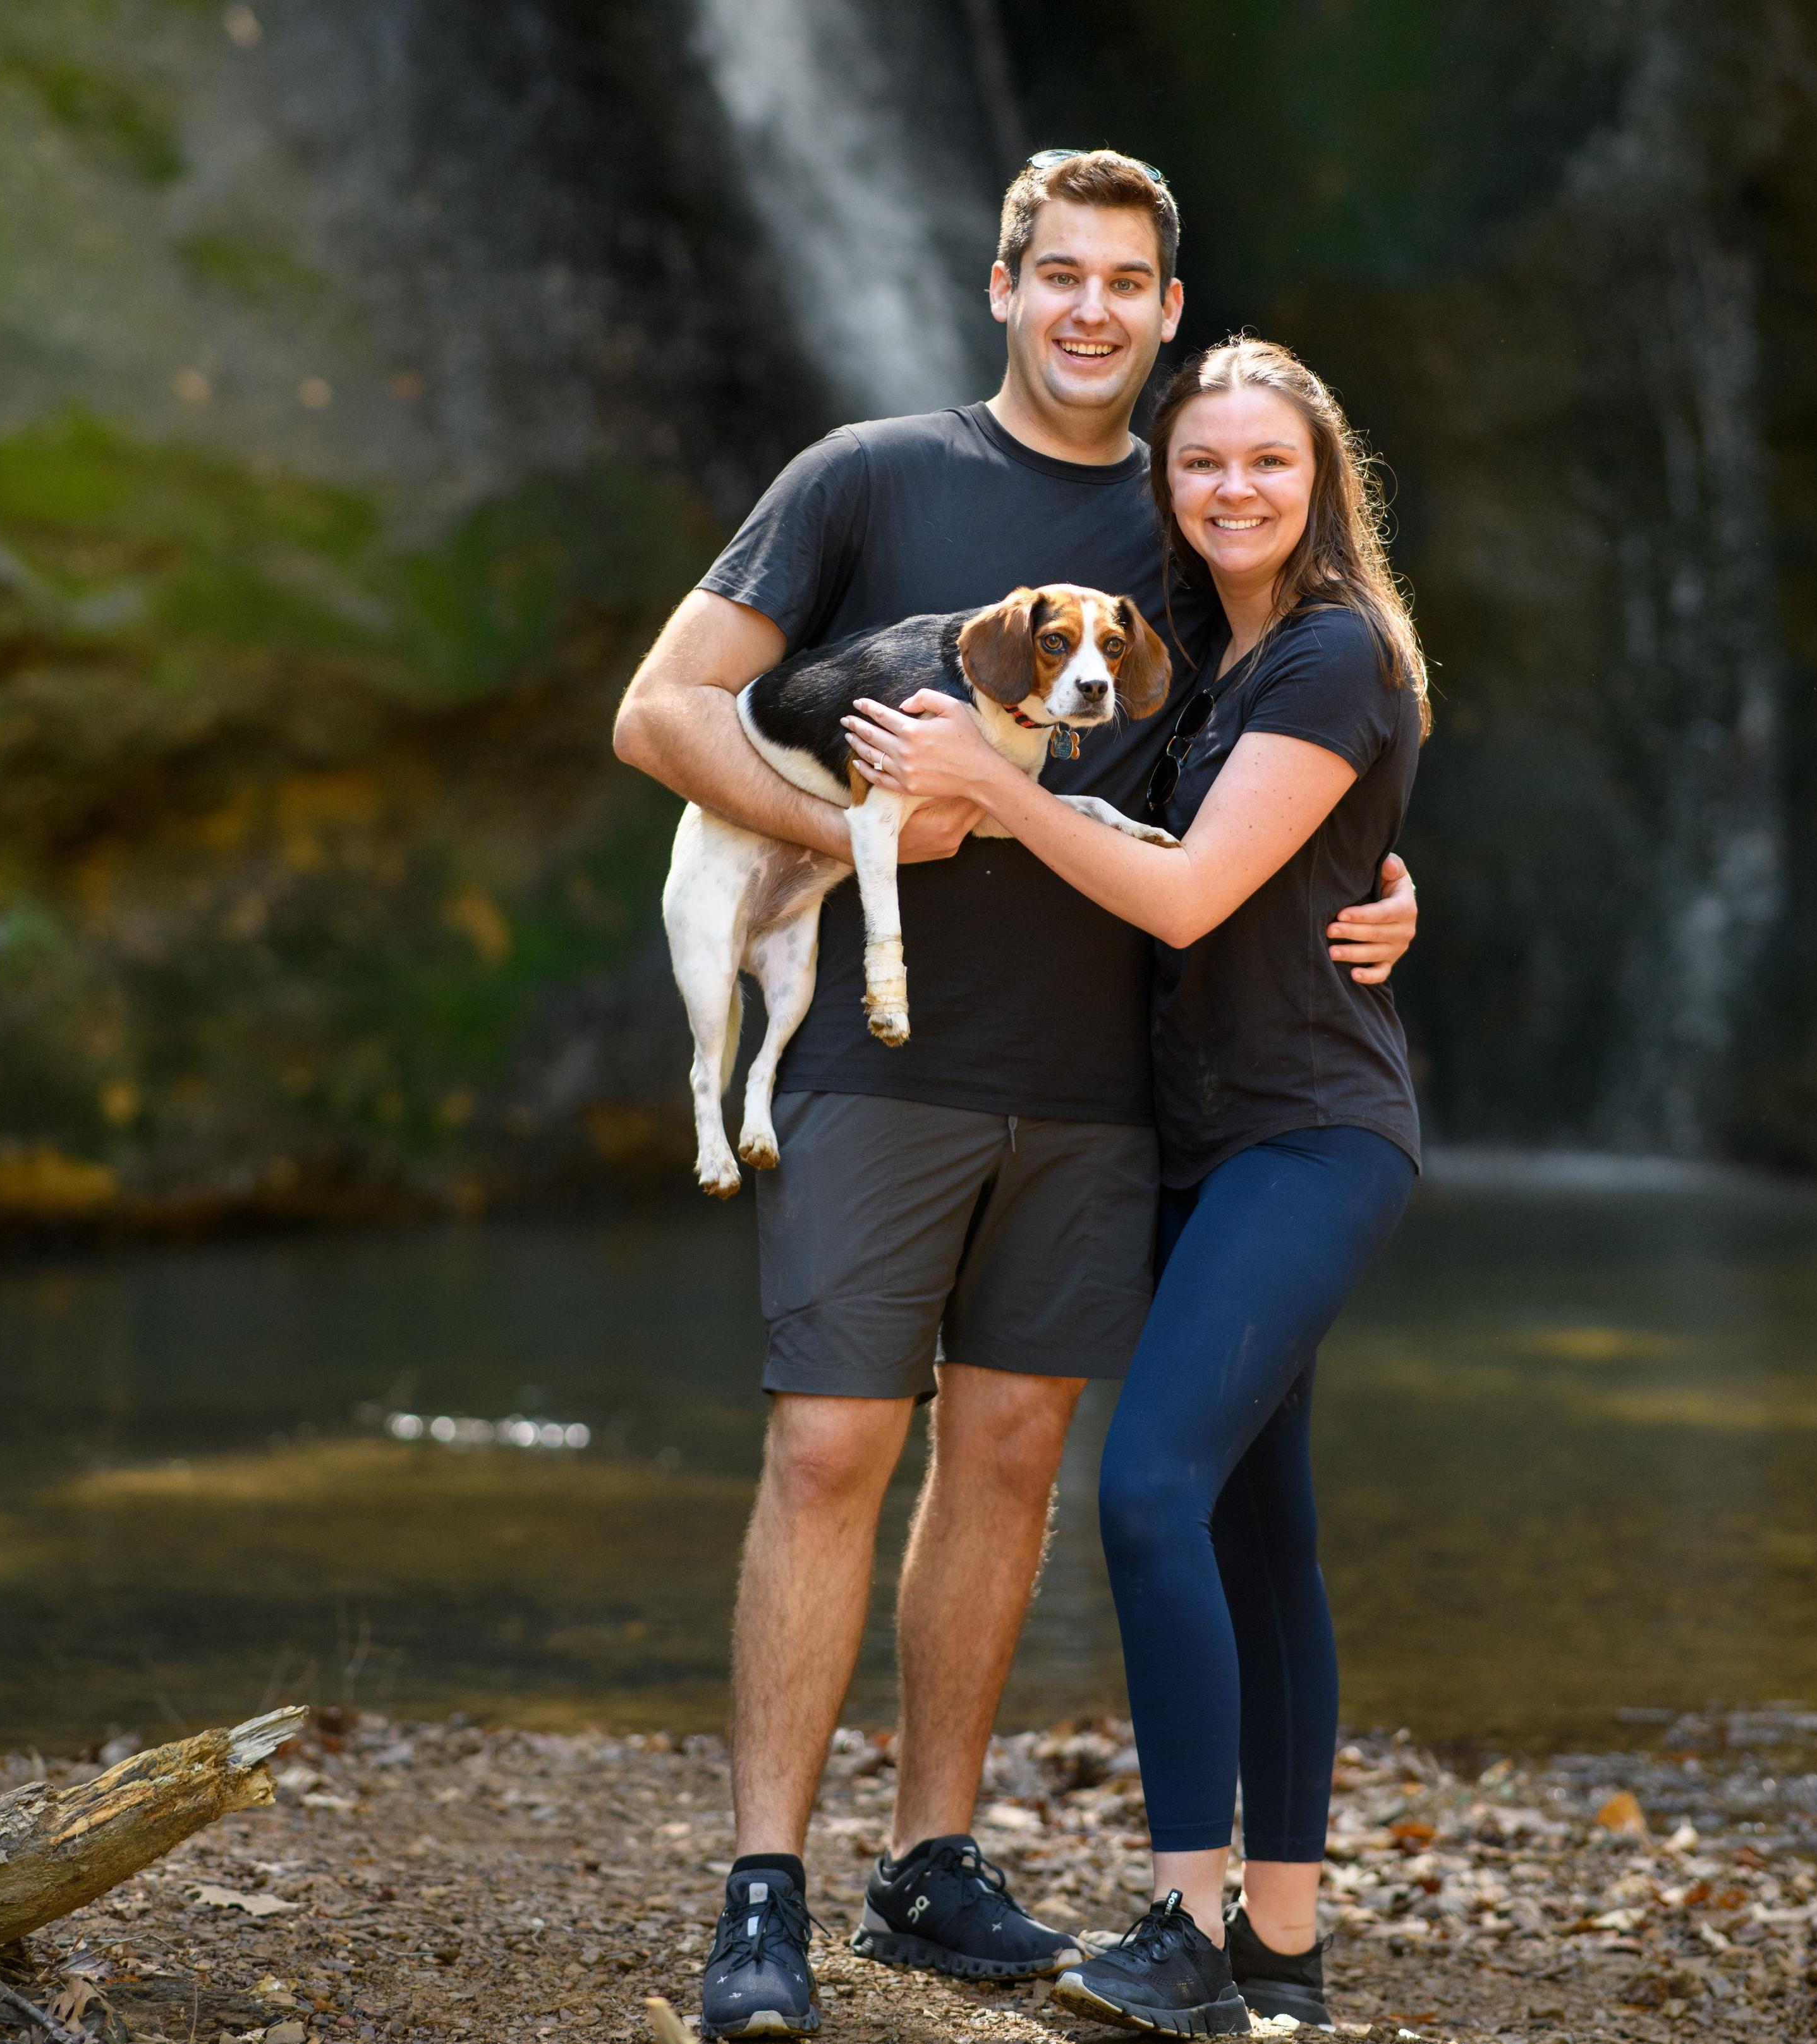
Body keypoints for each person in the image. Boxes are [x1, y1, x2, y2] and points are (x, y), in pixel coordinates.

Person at [612, 154, 1419, 2041]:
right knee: (826, 1449)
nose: (1088, 308)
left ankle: (931, 1862)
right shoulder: (864, 474)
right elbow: (661, 711)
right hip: (872, 1063)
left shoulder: (1194, 520)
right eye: (1056, 274)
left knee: (1006, 1460)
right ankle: (761, 1887)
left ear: (1163, 306)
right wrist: (851, 840)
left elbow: (1297, 754)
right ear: (997, 287)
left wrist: (1386, 884)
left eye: (1125, 282)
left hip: (1107, 1090)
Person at [842, 335, 1427, 2037]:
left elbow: (1184, 899)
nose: (1231, 486)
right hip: (1201, 1141)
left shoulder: (1328, 651)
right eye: (1199, 462)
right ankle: (1281, 1948)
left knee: (1148, 1488)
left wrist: (990, 793)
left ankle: (1176, 1916)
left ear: (1320, 478)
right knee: (1259, 1530)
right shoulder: (1201, 664)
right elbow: (1287, 866)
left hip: (1308, 1135)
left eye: (1264, 459)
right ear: (1166, 483)